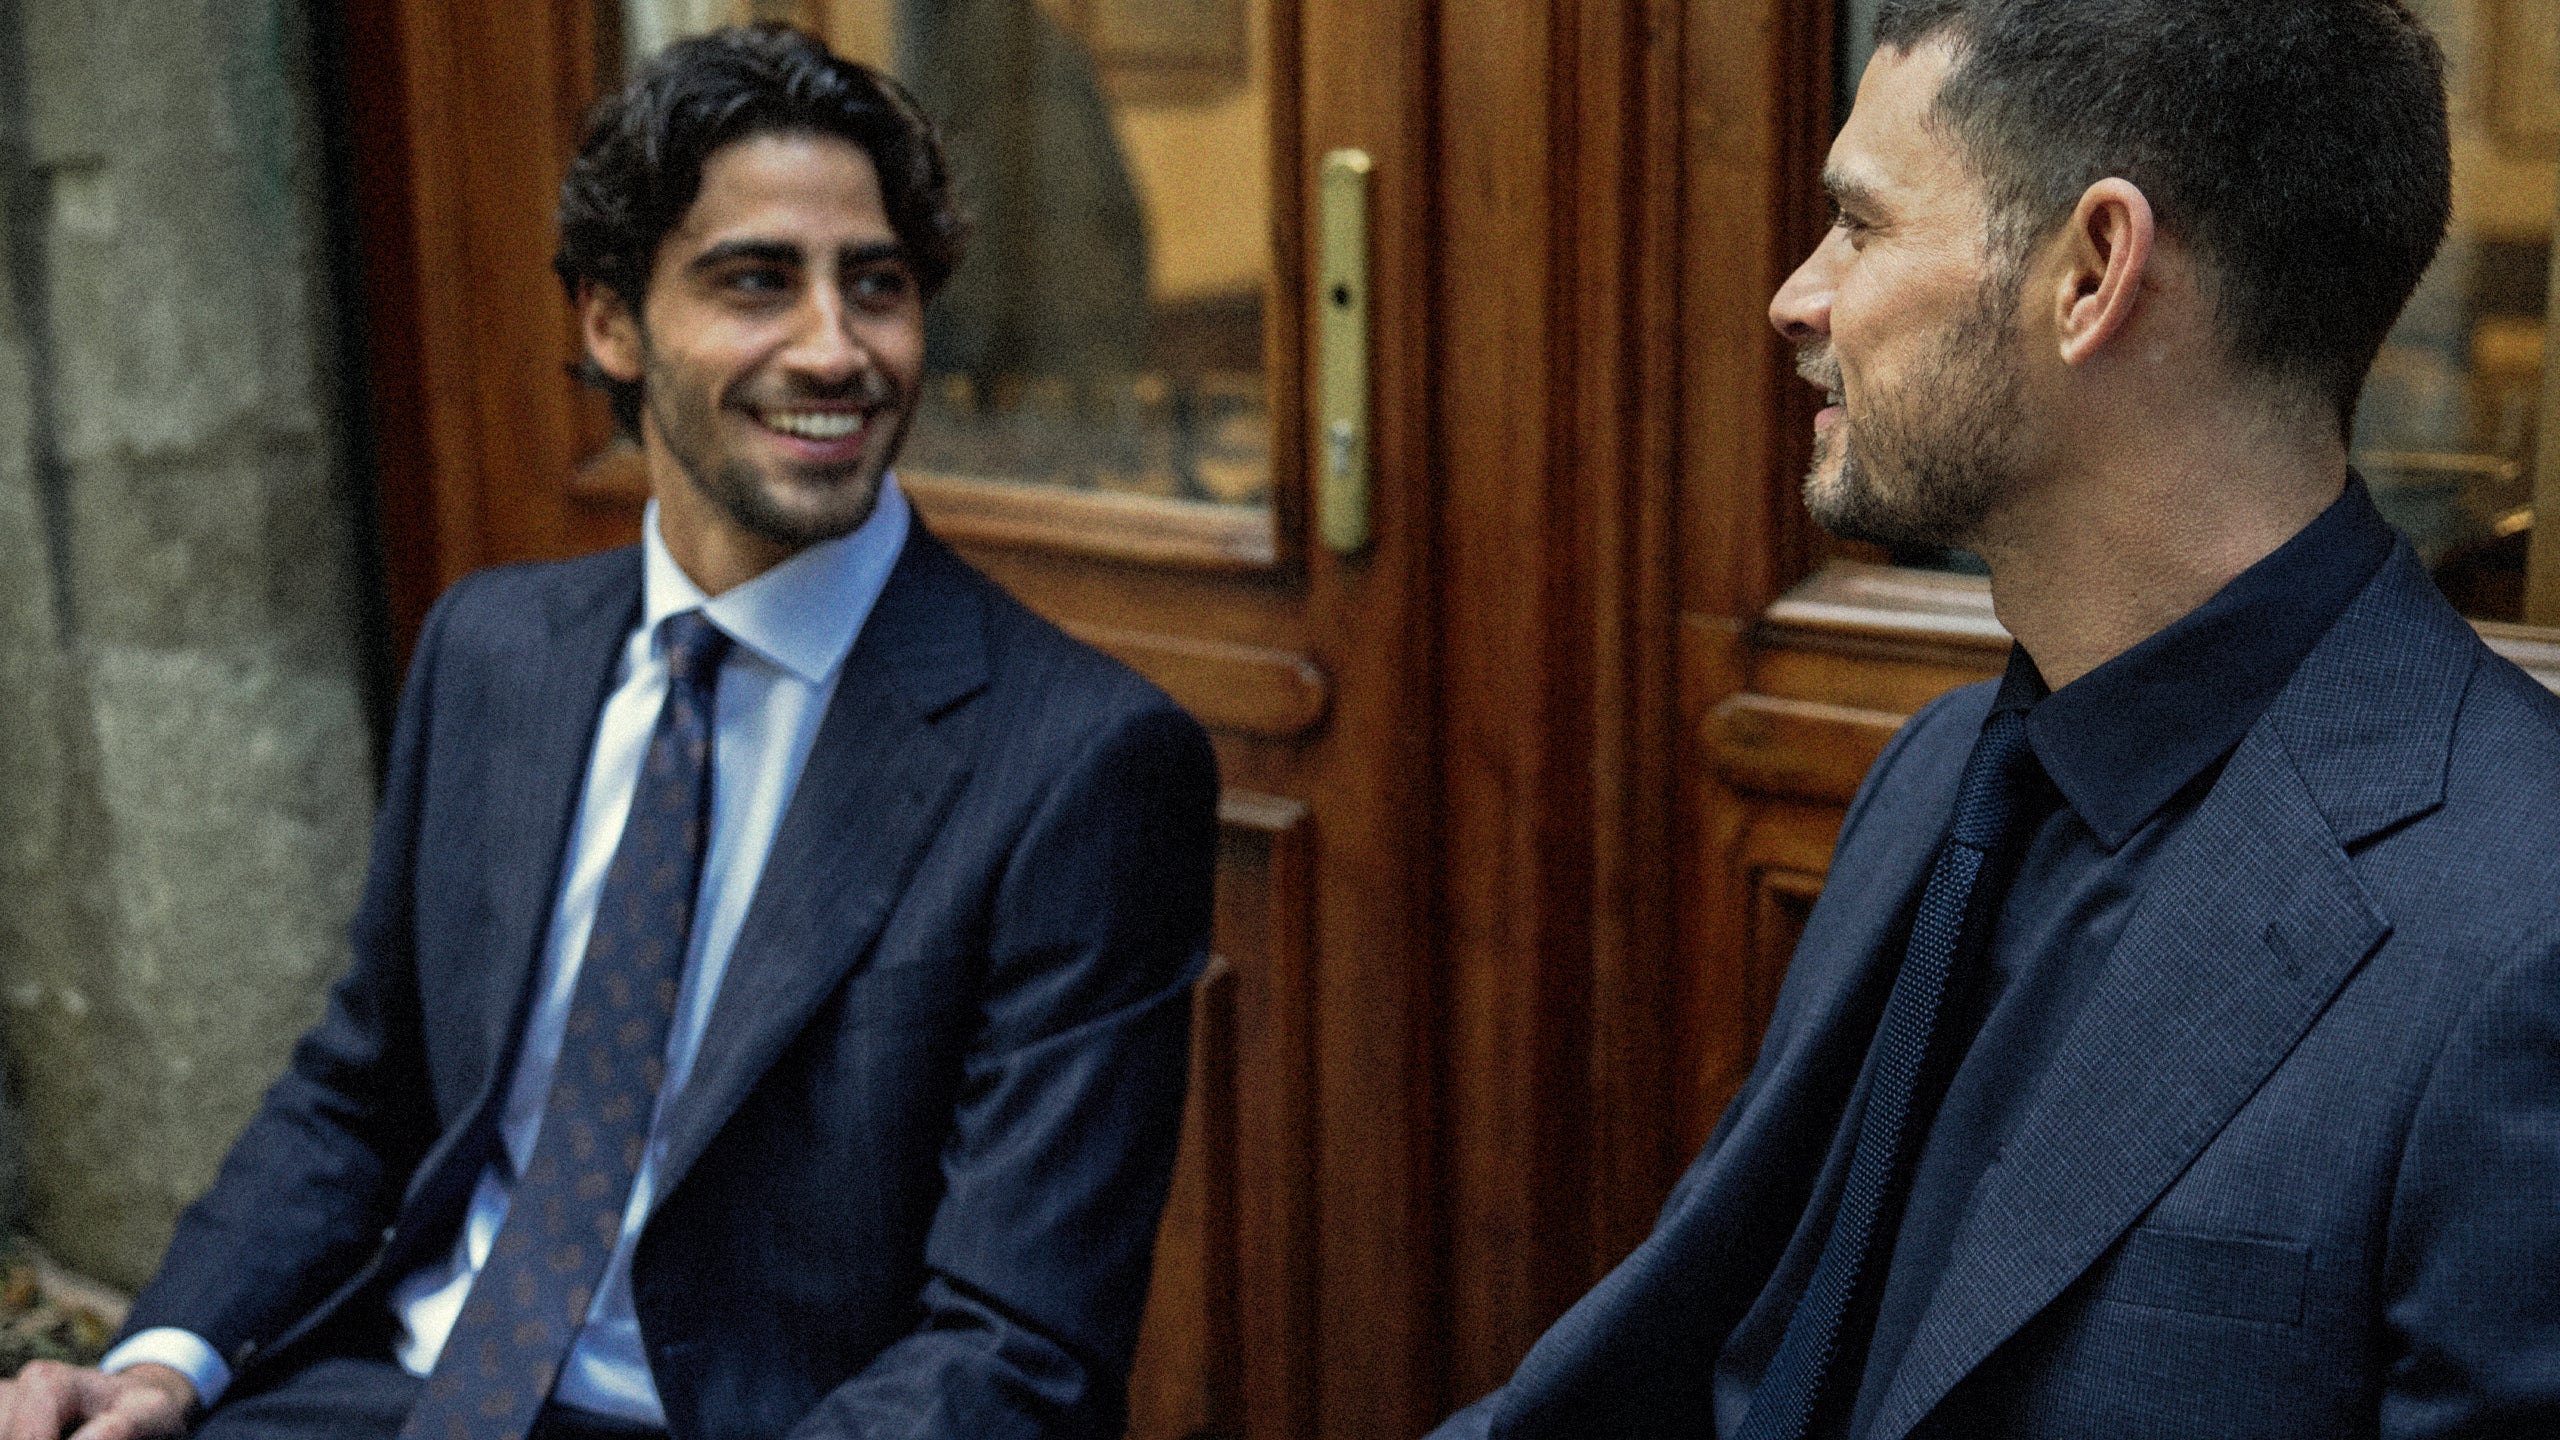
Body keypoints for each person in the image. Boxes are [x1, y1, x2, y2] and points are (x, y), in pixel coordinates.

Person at [0, 24, 1216, 1440]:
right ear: (609, 322)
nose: (836, 348)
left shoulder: (1079, 764)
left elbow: (1016, 1354)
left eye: (875, 286)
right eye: (757, 280)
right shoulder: (491, 652)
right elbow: (362, 1090)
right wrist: (162, 1358)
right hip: (387, 1388)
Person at [1432, 1, 2560, 1437]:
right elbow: (1714, 1358)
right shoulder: (1933, 783)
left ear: (2094, 271)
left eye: (1857, 223)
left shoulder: (2526, 934)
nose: (1797, 294)